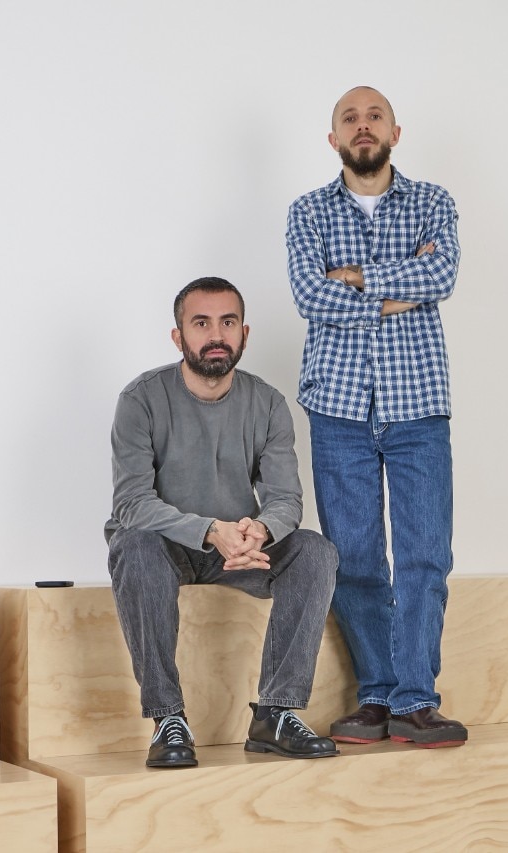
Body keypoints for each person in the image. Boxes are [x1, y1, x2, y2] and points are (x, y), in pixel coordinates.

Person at [285, 86, 467, 748]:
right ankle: (377, 695)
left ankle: (417, 699)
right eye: (349, 118)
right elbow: (310, 295)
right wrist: (398, 285)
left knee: (424, 556)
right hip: (338, 407)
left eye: (374, 116)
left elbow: (440, 277)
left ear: (395, 131)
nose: (363, 126)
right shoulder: (307, 211)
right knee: (356, 558)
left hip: (418, 404)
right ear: (333, 138)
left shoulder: (433, 203)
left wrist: (356, 278)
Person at [105, 276, 340, 768]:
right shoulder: (141, 399)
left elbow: (285, 499)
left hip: (236, 552)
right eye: (201, 323)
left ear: (244, 334)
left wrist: (261, 531)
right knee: (134, 543)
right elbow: (131, 503)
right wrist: (212, 531)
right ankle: (168, 718)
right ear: (178, 336)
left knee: (314, 551)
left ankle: (276, 713)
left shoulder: (268, 403)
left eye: (228, 322)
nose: (216, 334)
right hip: (164, 548)